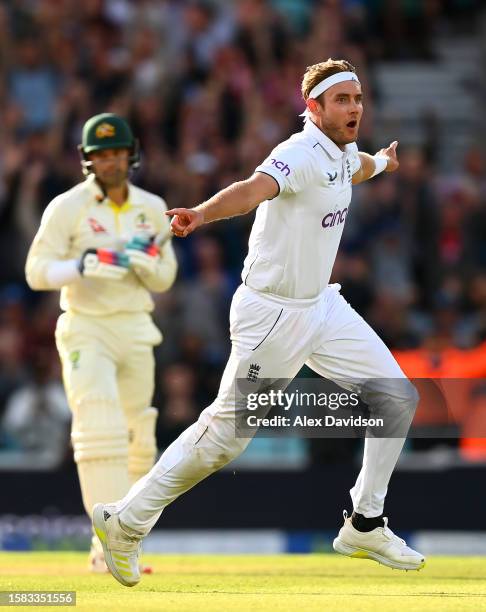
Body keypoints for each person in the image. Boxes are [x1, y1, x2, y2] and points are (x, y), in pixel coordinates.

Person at [92, 60, 425, 587]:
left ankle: (365, 522)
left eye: (357, 98)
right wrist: (200, 213)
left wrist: (381, 163)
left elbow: (355, 167)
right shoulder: (296, 153)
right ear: (312, 108)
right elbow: (252, 189)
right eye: (341, 100)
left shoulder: (339, 153)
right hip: (273, 315)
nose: (354, 107)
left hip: (321, 306)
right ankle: (124, 522)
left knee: (397, 397)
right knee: (224, 439)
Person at [25, 113, 177, 572]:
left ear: (130, 155)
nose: (110, 162)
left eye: (116, 153)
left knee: (138, 438)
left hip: (135, 325)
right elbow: (36, 272)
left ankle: (126, 545)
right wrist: (82, 265)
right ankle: (101, 548)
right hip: (86, 326)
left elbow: (166, 276)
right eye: (100, 154)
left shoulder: (151, 206)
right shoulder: (67, 207)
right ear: (87, 160)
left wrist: (145, 263)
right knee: (100, 429)